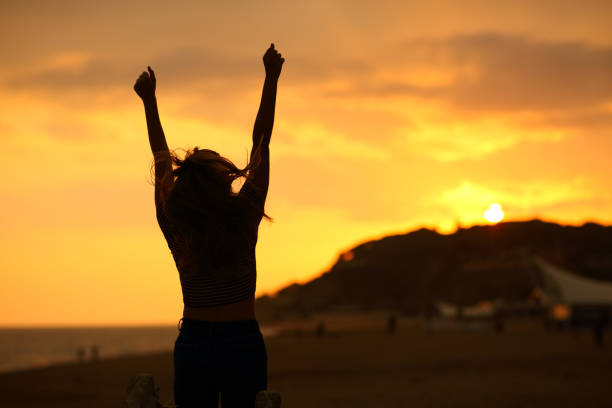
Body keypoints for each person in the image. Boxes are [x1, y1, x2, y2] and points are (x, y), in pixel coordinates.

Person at [133, 43, 284, 408]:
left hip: (196, 343)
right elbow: (261, 139)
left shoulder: (176, 225)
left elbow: (160, 157)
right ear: (222, 178)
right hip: (240, 341)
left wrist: (149, 102)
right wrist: (271, 78)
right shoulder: (244, 215)